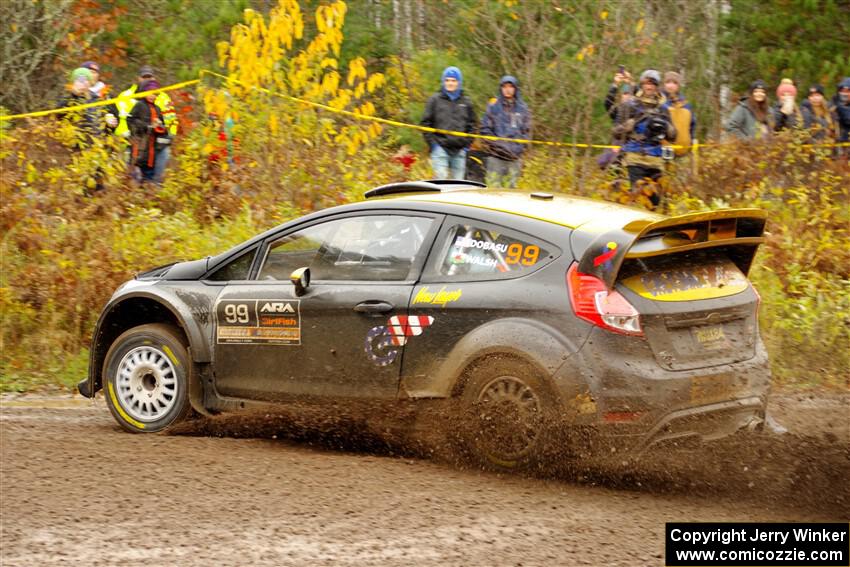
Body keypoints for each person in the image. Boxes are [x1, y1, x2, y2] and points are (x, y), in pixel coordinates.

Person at [613, 69, 676, 208]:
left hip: (656, 160)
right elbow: (615, 132)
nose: (649, 87)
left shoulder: (663, 109)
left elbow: (673, 137)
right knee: (637, 199)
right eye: (647, 83)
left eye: (653, 83)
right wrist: (627, 127)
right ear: (642, 85)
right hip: (634, 158)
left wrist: (668, 128)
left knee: (655, 202)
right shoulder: (629, 105)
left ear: (657, 86)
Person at [112, 65, 178, 182]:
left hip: (156, 142)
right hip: (130, 141)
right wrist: (127, 135)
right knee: (133, 173)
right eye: (144, 77)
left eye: (150, 77)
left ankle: (155, 186)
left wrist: (165, 134)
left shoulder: (163, 98)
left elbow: (171, 120)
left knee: (154, 169)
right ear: (138, 78)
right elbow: (125, 119)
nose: (147, 79)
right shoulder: (125, 96)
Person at [420, 66, 477, 179]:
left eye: (453, 80)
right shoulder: (434, 100)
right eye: (447, 80)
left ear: (459, 82)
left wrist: (466, 145)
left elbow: (473, 125)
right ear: (443, 81)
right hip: (440, 148)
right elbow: (425, 124)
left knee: (458, 185)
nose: (450, 83)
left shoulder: (466, 102)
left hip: (460, 150)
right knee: (441, 182)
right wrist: (434, 145)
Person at [480, 75, 531, 188]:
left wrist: (518, 149)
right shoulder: (493, 107)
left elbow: (526, 132)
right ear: (501, 88)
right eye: (505, 86)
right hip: (496, 157)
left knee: (511, 194)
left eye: (510, 87)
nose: (507, 89)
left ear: (515, 89)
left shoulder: (523, 108)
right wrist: (499, 145)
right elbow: (485, 130)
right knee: (493, 191)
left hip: (514, 159)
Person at [128, 80, 171, 183]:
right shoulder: (139, 105)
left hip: (152, 150)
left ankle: (148, 191)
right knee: (136, 176)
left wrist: (159, 126)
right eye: (150, 93)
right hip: (139, 146)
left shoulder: (157, 109)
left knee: (149, 177)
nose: (153, 96)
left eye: (155, 94)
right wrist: (147, 126)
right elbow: (130, 121)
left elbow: (163, 130)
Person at [661, 71, 696, 156]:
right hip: (663, 151)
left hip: (683, 152)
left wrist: (691, 143)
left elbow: (692, 126)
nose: (671, 85)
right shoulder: (659, 103)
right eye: (668, 82)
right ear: (664, 84)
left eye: (674, 83)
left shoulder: (686, 105)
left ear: (678, 85)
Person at [830, 77, 850, 158]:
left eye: (848, 91)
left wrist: (841, 107)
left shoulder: (839, 106)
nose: (844, 94)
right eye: (842, 91)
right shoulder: (833, 103)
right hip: (838, 146)